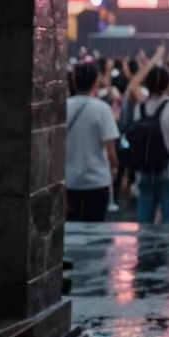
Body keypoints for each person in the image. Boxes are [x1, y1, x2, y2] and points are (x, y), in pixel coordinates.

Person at [127, 65, 169, 225]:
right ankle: (166, 242)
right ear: (167, 84)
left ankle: (145, 241)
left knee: (145, 218)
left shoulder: (140, 107)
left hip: (145, 168)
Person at [65, 62, 121, 222]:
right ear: (95, 82)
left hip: (69, 180)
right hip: (96, 180)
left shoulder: (64, 106)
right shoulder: (102, 109)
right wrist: (115, 167)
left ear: (74, 81)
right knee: (94, 228)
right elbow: (110, 149)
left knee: (71, 226)